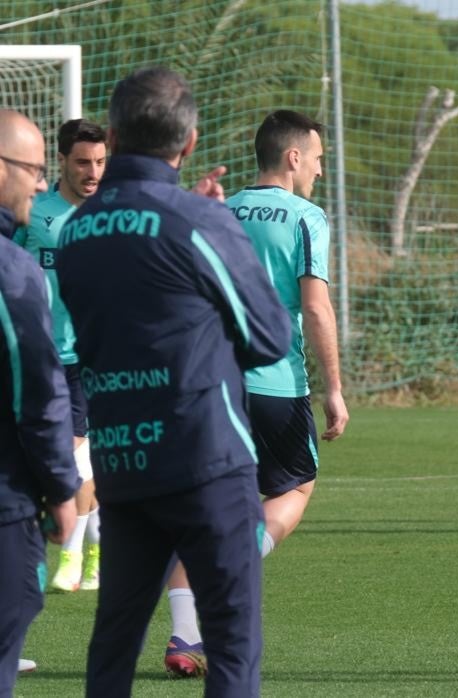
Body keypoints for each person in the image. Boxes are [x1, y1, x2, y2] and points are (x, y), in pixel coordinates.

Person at [57, 67, 290, 697]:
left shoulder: (74, 230)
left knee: (114, 642)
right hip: (203, 458)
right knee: (233, 643)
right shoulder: (200, 222)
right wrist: (224, 236)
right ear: (188, 144)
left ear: (113, 135)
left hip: (122, 458)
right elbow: (271, 338)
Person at [162, 109, 349, 677]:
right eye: (317, 158)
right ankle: (237, 565)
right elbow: (314, 306)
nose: (319, 170)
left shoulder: (217, 209)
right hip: (273, 385)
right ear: (293, 157)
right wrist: (334, 388)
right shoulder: (304, 216)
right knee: (296, 486)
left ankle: (182, 637)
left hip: (208, 381)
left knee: (201, 509)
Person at [0, 108, 80, 698]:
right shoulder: (12, 270)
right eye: (31, 169)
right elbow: (37, 391)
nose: (39, 182)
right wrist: (60, 489)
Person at [13, 119, 107, 593]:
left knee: (74, 454)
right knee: (54, 456)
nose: (92, 172)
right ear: (63, 163)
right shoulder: (36, 215)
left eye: (100, 162)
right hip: (35, 354)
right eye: (82, 162)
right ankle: (92, 549)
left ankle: (73, 555)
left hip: (88, 359)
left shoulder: (112, 216)